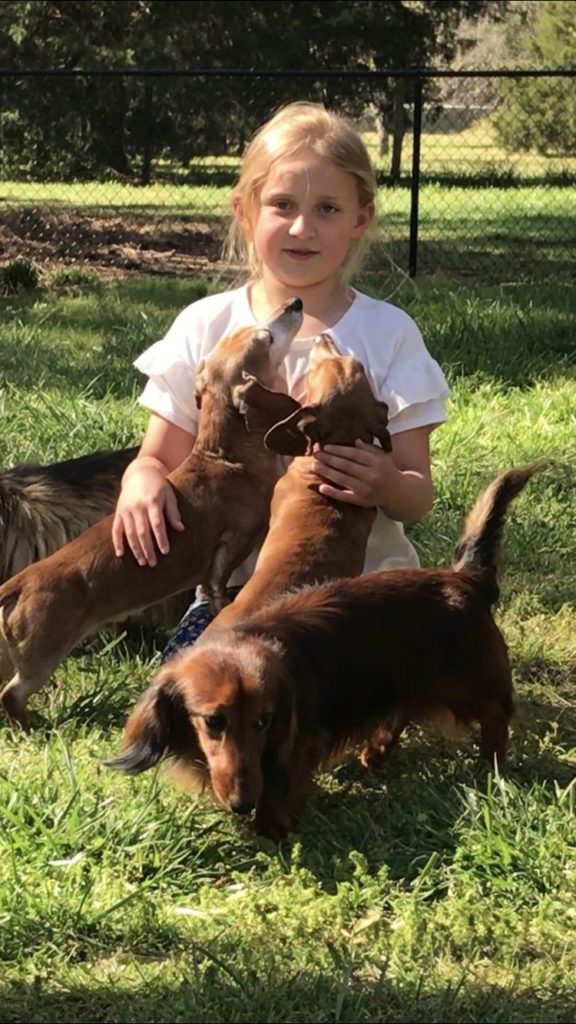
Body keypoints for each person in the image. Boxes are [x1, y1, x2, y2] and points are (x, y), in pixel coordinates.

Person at [111, 101, 450, 658]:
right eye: (282, 205)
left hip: (356, 590)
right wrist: (140, 481)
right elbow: (156, 457)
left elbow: (417, 493)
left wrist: (386, 483)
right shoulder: (207, 326)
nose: (302, 227)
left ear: (361, 219)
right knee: (197, 706)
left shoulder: (388, 333)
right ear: (245, 210)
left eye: (327, 209)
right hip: (234, 593)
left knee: (326, 717)